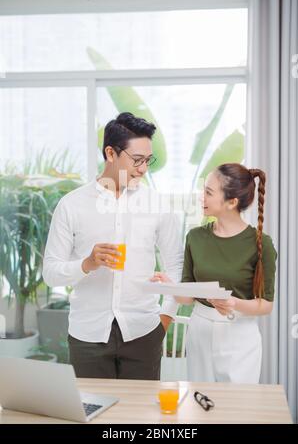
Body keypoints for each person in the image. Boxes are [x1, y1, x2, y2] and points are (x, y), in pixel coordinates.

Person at [43, 112, 183, 380]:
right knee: (92, 414)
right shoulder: (72, 205)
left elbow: (175, 265)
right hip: (87, 337)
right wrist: (87, 264)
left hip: (144, 332)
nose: (143, 169)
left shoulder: (158, 205)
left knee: (141, 417)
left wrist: (165, 318)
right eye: (137, 160)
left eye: (147, 160)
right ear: (110, 153)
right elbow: (50, 272)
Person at [152, 163, 277, 384]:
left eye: (209, 192)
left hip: (239, 335)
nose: (202, 197)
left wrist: (233, 303)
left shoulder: (261, 244)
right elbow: (187, 297)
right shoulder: (196, 237)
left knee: (237, 410)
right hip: (199, 330)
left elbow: (265, 305)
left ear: (232, 202)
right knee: (202, 403)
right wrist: (170, 286)